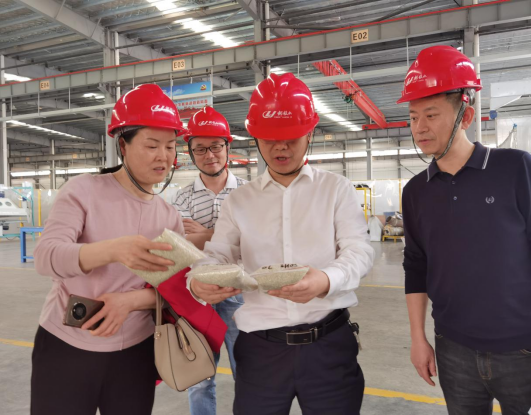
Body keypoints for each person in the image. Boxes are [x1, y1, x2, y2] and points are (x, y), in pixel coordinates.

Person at [188, 73, 374, 415]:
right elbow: (216, 255)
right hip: (261, 351)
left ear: (310, 133)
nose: (280, 148)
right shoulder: (240, 201)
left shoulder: (335, 189)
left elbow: (358, 250)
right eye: (270, 139)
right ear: (255, 138)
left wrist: (325, 280)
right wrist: (199, 280)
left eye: (291, 138)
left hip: (328, 345)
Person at [400, 45, 531, 415]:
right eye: (413, 117)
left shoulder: (515, 168)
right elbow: (416, 266)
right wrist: (418, 338)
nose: (420, 127)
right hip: (453, 349)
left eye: (431, 115)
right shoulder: (416, 191)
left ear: (465, 115)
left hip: (524, 349)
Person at [31, 84, 187, 415]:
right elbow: (46, 257)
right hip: (66, 346)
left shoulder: (169, 216)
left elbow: (174, 289)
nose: (163, 156)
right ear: (123, 145)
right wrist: (113, 250)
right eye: (152, 145)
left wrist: (130, 302)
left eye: (171, 146)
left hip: (135, 353)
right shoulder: (84, 191)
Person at [172, 105, 247, 415]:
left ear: (227, 147)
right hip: (198, 293)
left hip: (240, 291)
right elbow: (181, 246)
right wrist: (228, 233)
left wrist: (204, 233)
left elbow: (253, 240)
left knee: (248, 372)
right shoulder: (182, 196)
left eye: (215, 146)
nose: (209, 154)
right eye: (200, 148)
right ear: (191, 153)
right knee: (199, 377)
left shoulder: (248, 193)